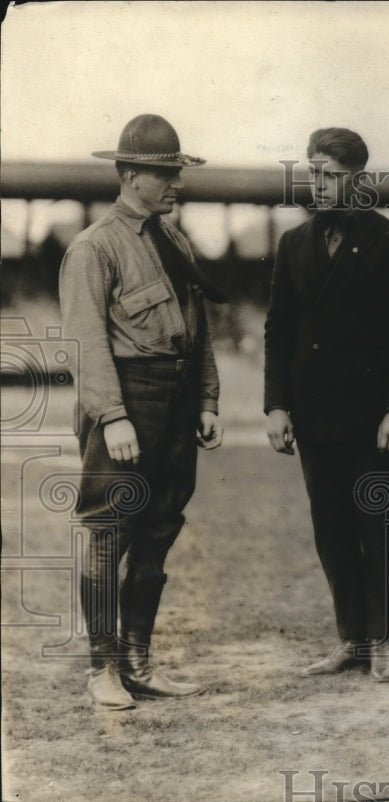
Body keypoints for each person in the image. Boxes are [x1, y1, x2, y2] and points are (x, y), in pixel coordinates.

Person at [60, 113, 228, 710]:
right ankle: (102, 667)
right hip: (128, 401)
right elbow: (86, 341)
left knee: (159, 529)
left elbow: (199, 330)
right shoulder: (93, 247)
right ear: (130, 176)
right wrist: (113, 415)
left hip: (177, 401)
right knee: (109, 532)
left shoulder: (174, 240)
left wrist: (206, 399)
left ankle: (137, 661)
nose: (174, 184)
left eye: (177, 172)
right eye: (163, 174)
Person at [264, 128, 389, 683]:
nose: (320, 183)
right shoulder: (293, 244)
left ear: (359, 178)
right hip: (312, 416)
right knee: (330, 529)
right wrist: (276, 406)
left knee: (375, 525)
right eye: (314, 172)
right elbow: (277, 331)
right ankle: (350, 639)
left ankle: (382, 641)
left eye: (331, 173)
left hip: (372, 418)